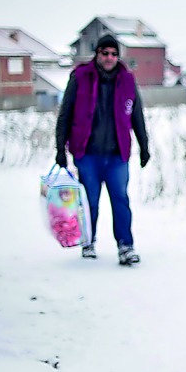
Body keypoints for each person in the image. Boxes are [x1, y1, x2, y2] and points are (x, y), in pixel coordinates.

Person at [56, 34, 150, 265]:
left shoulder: (127, 79)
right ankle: (88, 241)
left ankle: (125, 246)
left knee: (120, 199)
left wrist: (144, 145)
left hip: (117, 154)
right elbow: (65, 113)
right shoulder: (81, 77)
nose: (109, 58)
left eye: (113, 54)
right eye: (105, 53)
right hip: (87, 153)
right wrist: (60, 148)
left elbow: (136, 115)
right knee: (90, 201)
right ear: (97, 54)